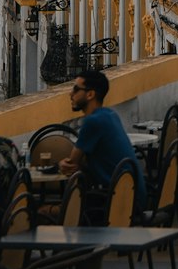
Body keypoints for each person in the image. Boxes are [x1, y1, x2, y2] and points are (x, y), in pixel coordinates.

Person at [61, 69, 144, 219]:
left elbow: (71, 164)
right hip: (133, 197)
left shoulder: (93, 122)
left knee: (44, 213)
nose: (70, 94)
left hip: (114, 203)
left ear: (90, 94)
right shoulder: (110, 115)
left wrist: (62, 164)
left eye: (75, 89)